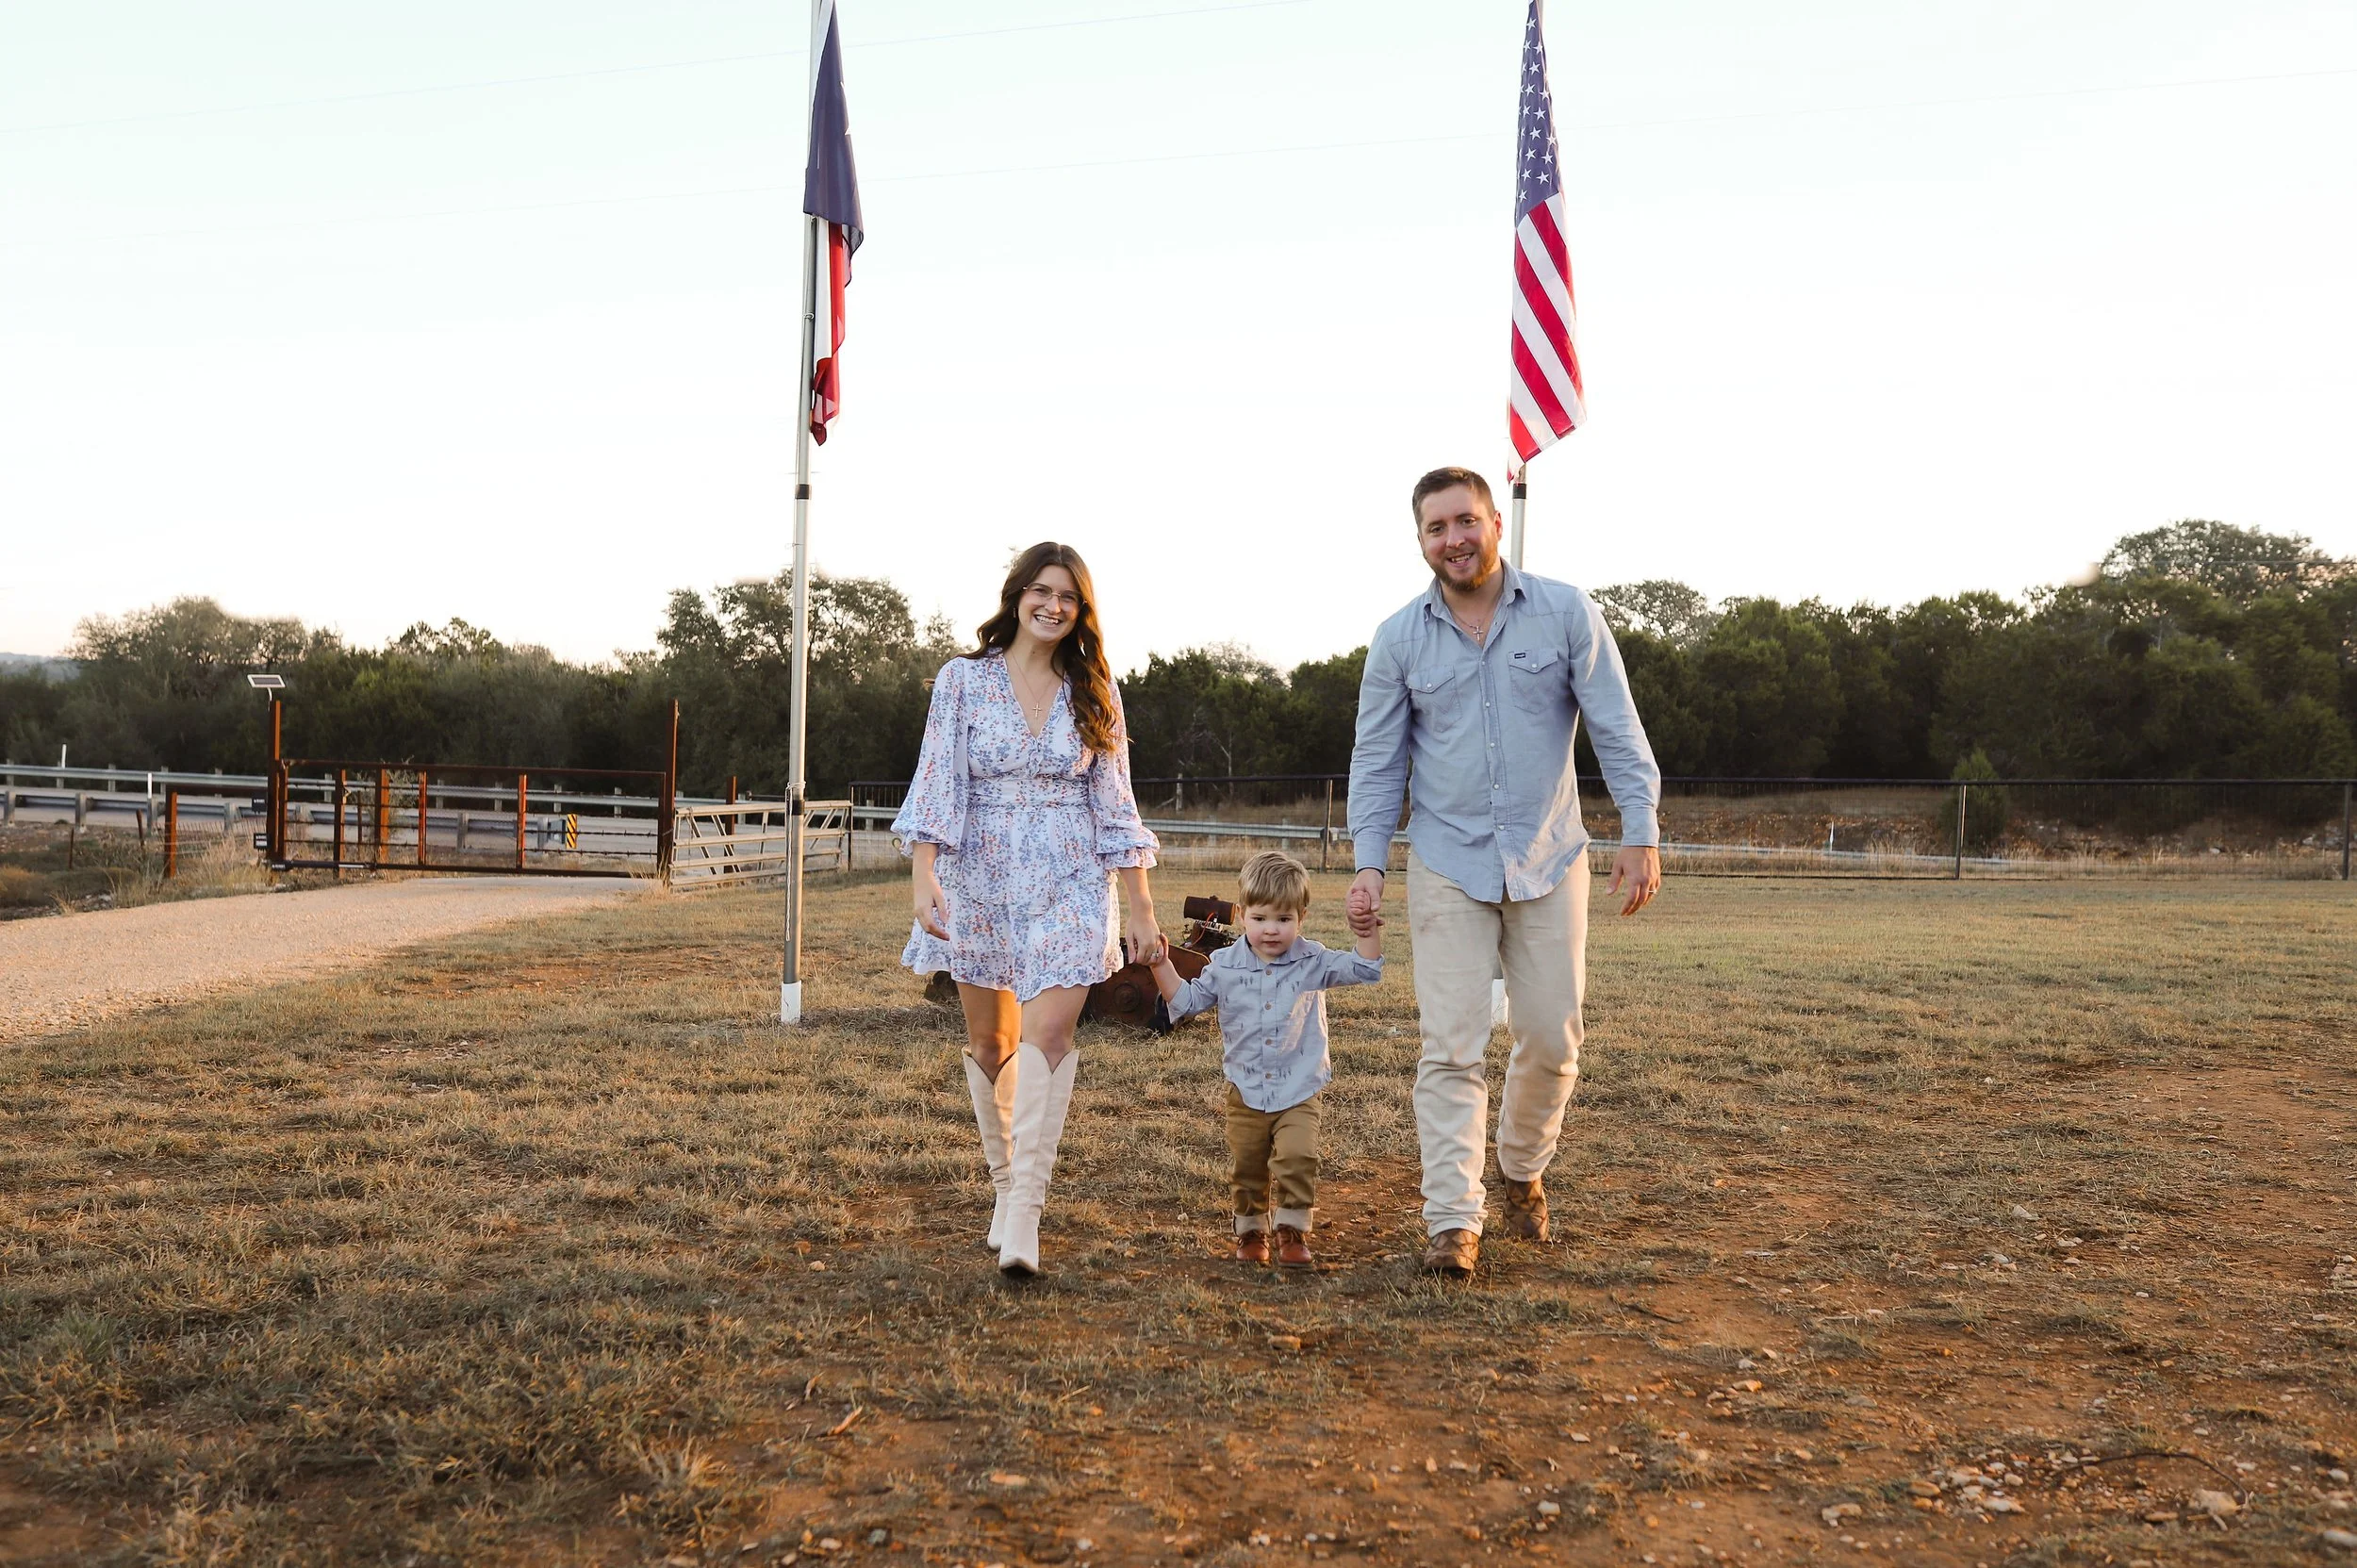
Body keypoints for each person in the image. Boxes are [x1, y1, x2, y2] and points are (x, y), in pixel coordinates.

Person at [1344, 467, 1662, 1279]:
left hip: (1553, 857)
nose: (1453, 539)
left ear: (1492, 520)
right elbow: (1377, 761)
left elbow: (1617, 726)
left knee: (1554, 1038)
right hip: (1447, 863)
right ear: (1420, 541)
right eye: (1435, 528)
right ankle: (1454, 1221)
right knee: (1449, 1047)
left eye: (1465, 521)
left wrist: (1641, 828)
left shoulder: (1564, 612)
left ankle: (1520, 1169)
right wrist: (1370, 865)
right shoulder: (1398, 639)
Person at [891, 542, 1162, 1277]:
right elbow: (938, 781)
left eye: (1068, 596)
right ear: (1016, 597)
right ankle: (1004, 1186)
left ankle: (1026, 1217)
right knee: (992, 1044)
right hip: (978, 874)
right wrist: (924, 879)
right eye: (1041, 591)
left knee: (1048, 1035)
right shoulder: (962, 682)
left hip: (1070, 877)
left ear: (1082, 610)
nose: (1053, 605)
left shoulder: (1094, 689)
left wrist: (1139, 902)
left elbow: (1116, 803)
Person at [1146, 850, 1382, 1271]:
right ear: (1241, 917)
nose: (1271, 930)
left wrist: (1366, 931)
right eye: (1260, 919)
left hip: (1298, 1087)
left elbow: (1364, 969)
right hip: (1246, 1086)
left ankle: (1292, 1231)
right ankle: (1252, 1231)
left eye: (1284, 920)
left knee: (1297, 1157)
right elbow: (1184, 1002)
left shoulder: (1313, 961)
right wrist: (1162, 964)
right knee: (1249, 1165)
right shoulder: (1224, 967)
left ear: (1301, 917)